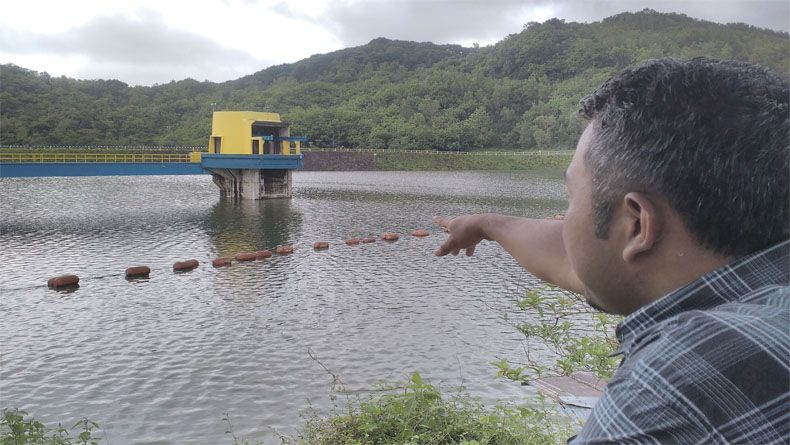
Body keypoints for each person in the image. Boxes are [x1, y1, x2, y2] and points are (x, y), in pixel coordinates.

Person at [434, 58, 789, 444]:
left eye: (570, 196)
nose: (566, 219)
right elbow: (579, 263)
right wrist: (489, 225)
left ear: (636, 225)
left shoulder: (672, 387)